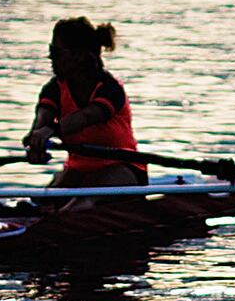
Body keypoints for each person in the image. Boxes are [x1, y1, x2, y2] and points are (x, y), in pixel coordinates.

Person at [24, 16, 146, 185]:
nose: (50, 58)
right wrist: (35, 141)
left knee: (79, 206)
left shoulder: (109, 89)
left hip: (123, 167)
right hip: (78, 169)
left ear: (79, 56)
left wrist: (51, 130)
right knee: (45, 204)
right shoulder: (53, 89)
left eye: (56, 53)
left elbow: (85, 117)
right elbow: (42, 120)